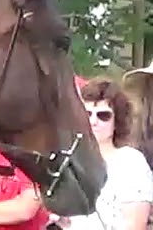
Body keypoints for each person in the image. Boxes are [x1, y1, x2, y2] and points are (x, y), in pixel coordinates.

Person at [58, 78, 153, 230]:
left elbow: (135, 225)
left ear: (117, 122)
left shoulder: (131, 162)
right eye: (87, 114)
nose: (93, 121)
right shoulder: (69, 160)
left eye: (103, 116)